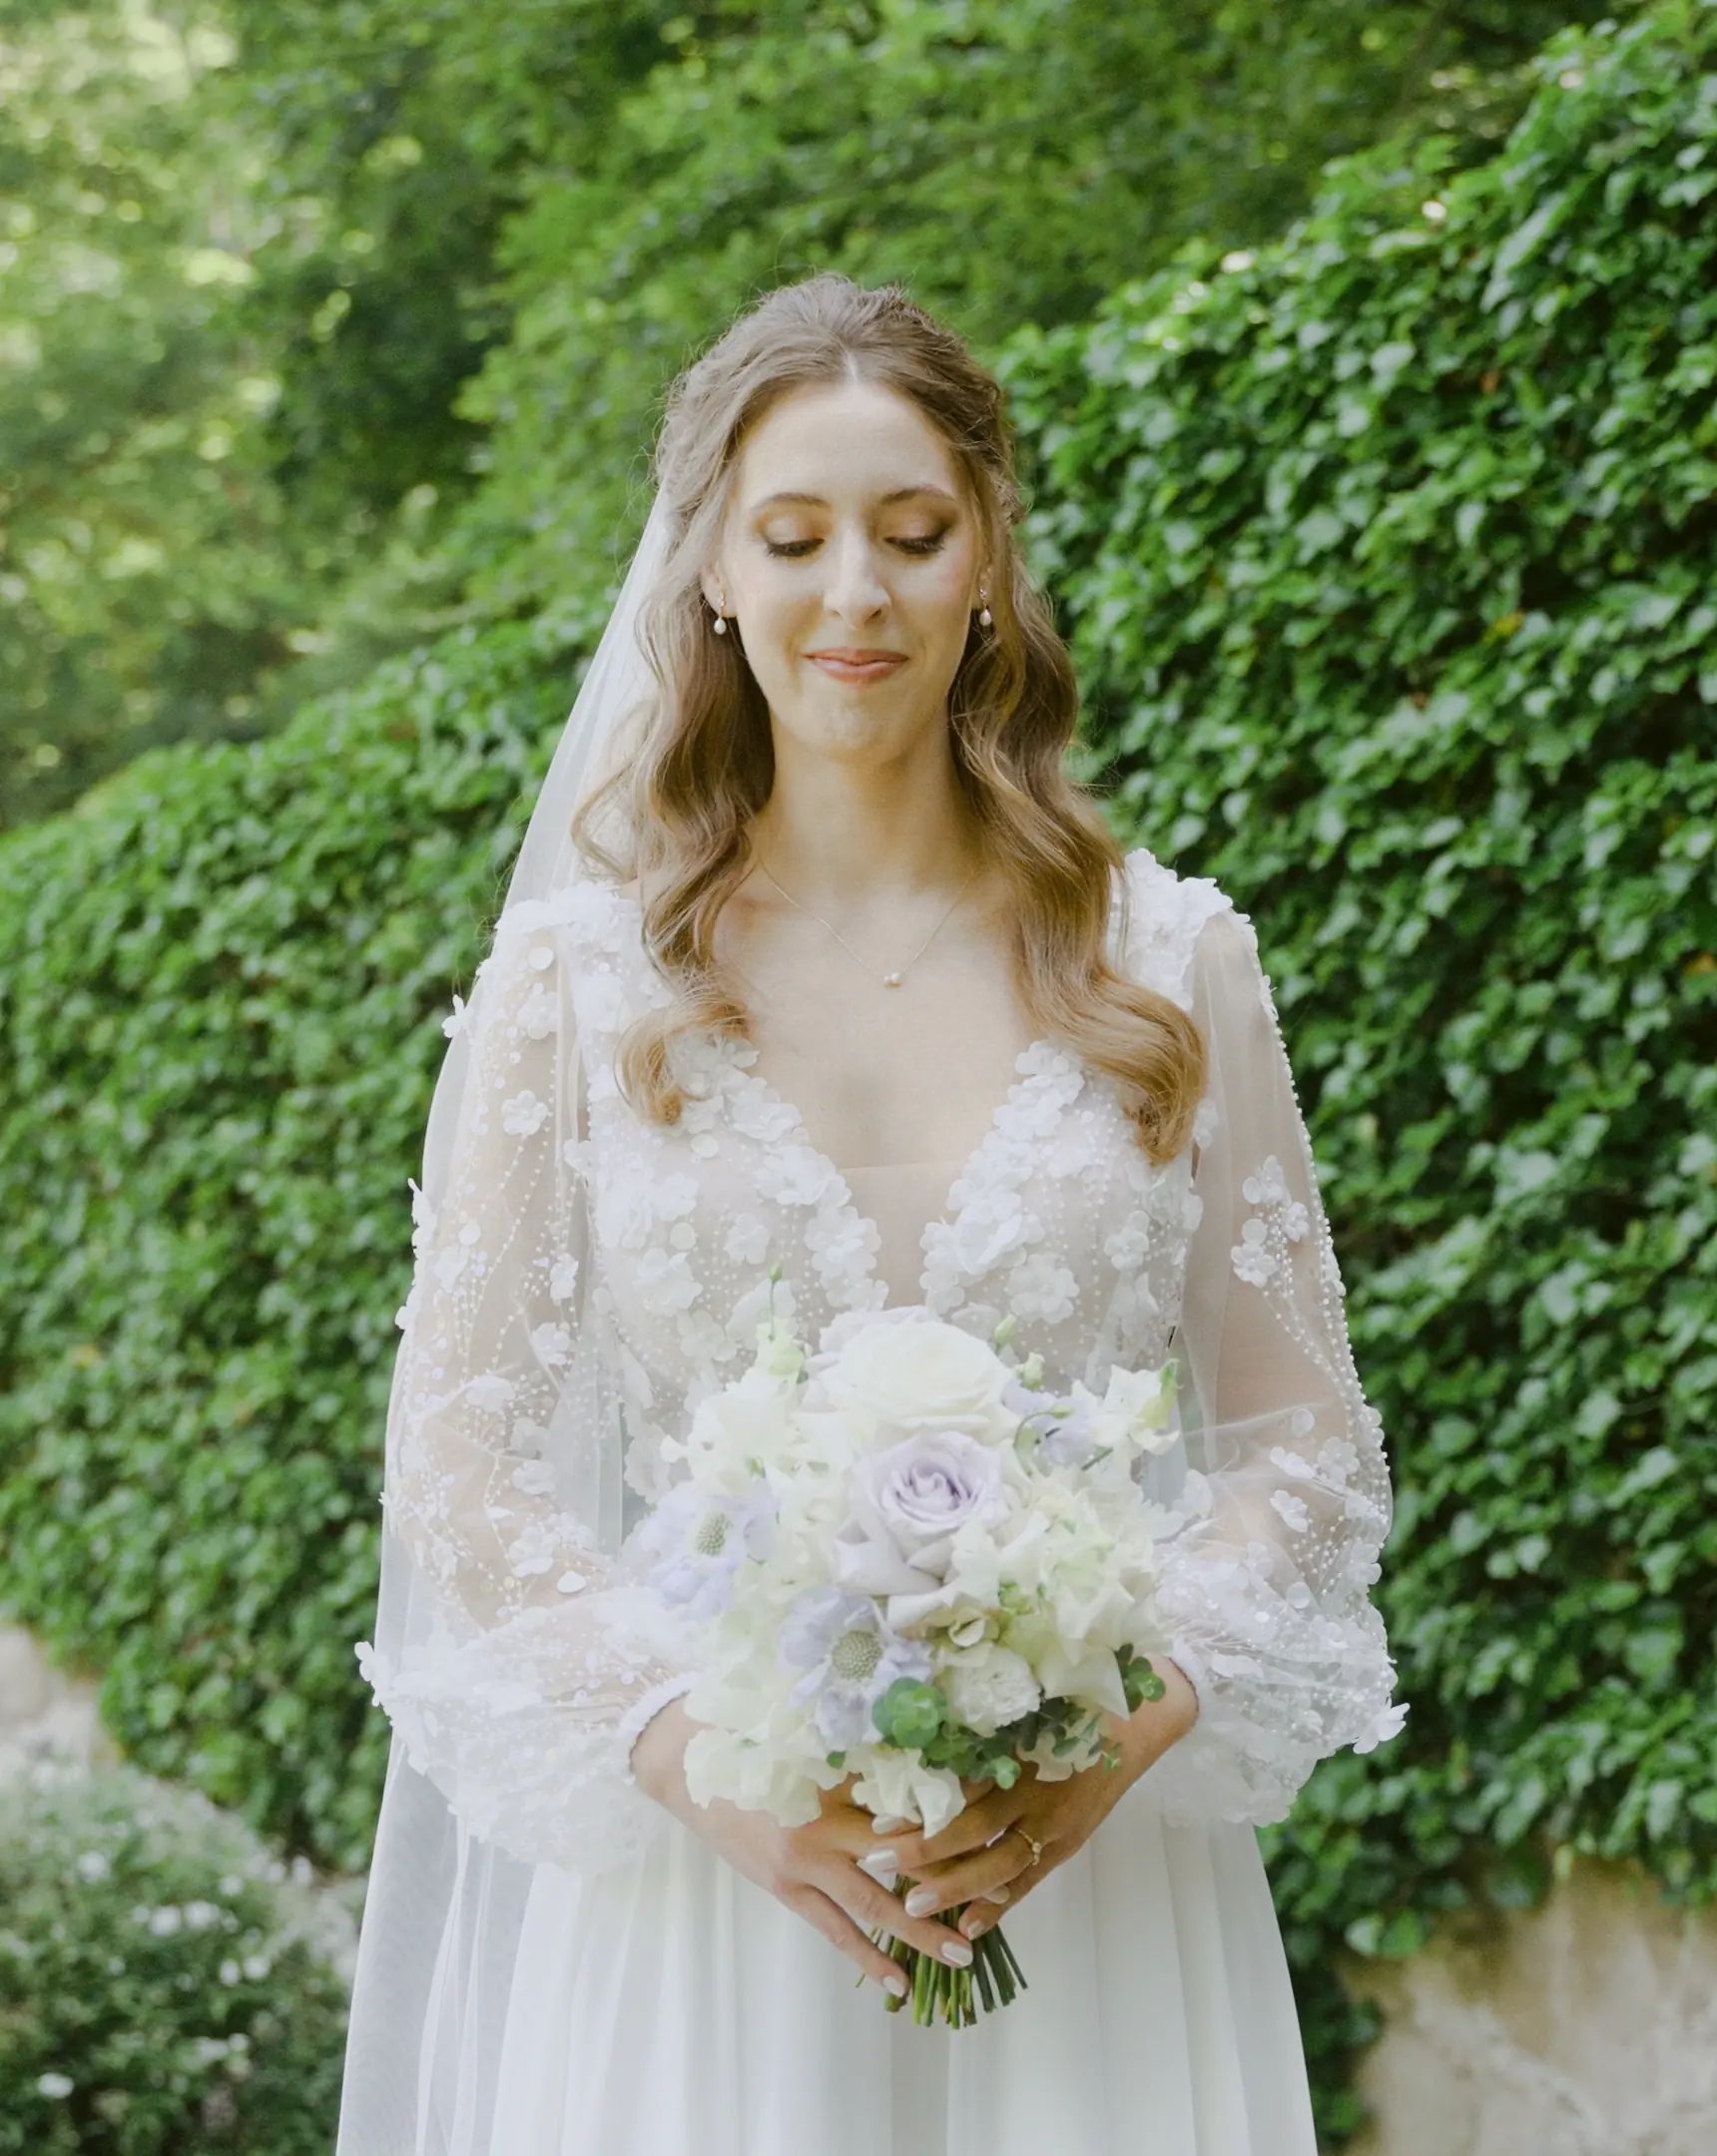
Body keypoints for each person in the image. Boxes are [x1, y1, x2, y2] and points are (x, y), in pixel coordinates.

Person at [334, 273, 1405, 2156]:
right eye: (797, 537)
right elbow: (461, 1462)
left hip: (1087, 1887)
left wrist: (1118, 1722)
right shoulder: (577, 990)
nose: (858, 597)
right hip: (711, 1903)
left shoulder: (1170, 960)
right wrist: (696, 1753)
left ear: (988, 557)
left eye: (914, 535)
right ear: (712, 578)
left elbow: (1305, 1445)